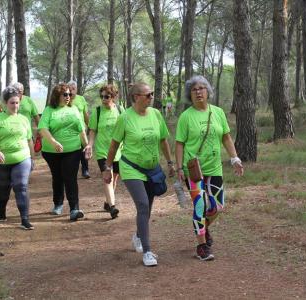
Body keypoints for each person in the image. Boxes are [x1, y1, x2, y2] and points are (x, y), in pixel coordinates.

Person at [102, 83, 176, 267]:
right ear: (136, 97)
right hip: (131, 168)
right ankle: (148, 251)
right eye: (148, 94)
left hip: (152, 168)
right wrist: (107, 167)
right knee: (143, 205)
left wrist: (170, 162)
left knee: (147, 207)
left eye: (152, 93)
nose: (151, 97)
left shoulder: (156, 114)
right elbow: (113, 145)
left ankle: (137, 235)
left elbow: (163, 140)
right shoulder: (125, 118)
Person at [175, 75, 244, 261]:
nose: (198, 92)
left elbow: (226, 137)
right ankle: (201, 246)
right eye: (194, 89)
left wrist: (234, 158)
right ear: (190, 94)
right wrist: (180, 167)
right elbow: (179, 143)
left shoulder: (218, 112)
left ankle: (204, 228)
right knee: (199, 206)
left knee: (218, 207)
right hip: (194, 170)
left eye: (201, 88)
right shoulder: (186, 116)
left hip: (214, 169)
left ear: (208, 91)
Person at [38, 83, 88, 221]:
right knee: (58, 177)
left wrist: (87, 146)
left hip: (72, 150)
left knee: (70, 177)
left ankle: (74, 208)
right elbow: (42, 128)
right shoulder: (49, 110)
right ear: (57, 96)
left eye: (69, 94)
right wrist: (54, 142)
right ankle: (58, 203)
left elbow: (81, 130)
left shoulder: (74, 109)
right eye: (64, 94)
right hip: (51, 151)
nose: (68, 97)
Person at [0, 86, 35, 230]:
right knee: (4, 187)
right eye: (12, 103)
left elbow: (29, 140)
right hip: (1, 160)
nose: (15, 106)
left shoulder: (24, 119)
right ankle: (2, 210)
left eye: (17, 103)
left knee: (21, 186)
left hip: (22, 158)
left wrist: (32, 158)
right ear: (5, 104)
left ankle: (24, 219)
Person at [84, 84, 122, 219]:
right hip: (102, 151)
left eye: (107, 96)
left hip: (119, 151)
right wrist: (89, 145)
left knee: (115, 178)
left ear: (114, 97)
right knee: (107, 178)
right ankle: (112, 207)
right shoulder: (97, 111)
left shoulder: (120, 110)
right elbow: (93, 131)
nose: (104, 99)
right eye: (102, 96)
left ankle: (107, 202)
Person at [68, 80, 90, 179]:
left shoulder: (81, 99)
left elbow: (85, 114)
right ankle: (72, 170)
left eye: (74, 89)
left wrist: (89, 126)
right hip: (69, 130)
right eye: (70, 89)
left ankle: (85, 170)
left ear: (76, 89)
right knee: (73, 152)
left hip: (81, 130)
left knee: (83, 149)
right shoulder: (65, 99)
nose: (72, 91)